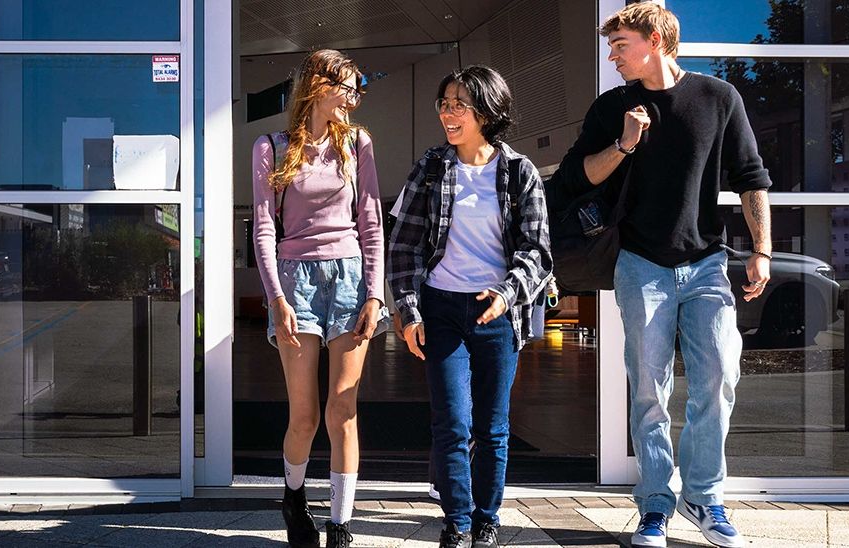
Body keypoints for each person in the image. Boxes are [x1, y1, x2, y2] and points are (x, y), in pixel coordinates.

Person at [554, 3, 773, 547]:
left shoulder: (719, 98)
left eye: (620, 45)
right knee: (649, 388)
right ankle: (655, 502)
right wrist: (624, 144)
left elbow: (751, 177)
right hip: (640, 263)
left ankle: (704, 497)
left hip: (706, 263)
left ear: (654, 40)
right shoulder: (613, 107)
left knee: (718, 377)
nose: (612, 56)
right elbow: (575, 177)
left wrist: (762, 249)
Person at [387, 65, 552, 548]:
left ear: (487, 111)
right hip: (440, 309)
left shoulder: (519, 172)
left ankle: (487, 519)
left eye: (460, 104)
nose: (448, 113)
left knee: (493, 427)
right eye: (444, 103)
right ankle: (457, 522)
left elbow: (538, 250)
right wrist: (409, 311)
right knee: (452, 422)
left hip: (497, 313)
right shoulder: (430, 168)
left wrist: (507, 292)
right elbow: (403, 245)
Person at [251, 48, 388, 548]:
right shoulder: (271, 146)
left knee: (343, 408)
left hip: (349, 278)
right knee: (305, 414)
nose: (354, 97)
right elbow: (264, 230)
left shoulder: (357, 143)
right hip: (296, 282)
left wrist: (374, 294)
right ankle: (293, 496)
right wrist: (276, 299)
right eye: (348, 87)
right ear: (318, 86)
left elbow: (371, 222)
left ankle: (340, 526)